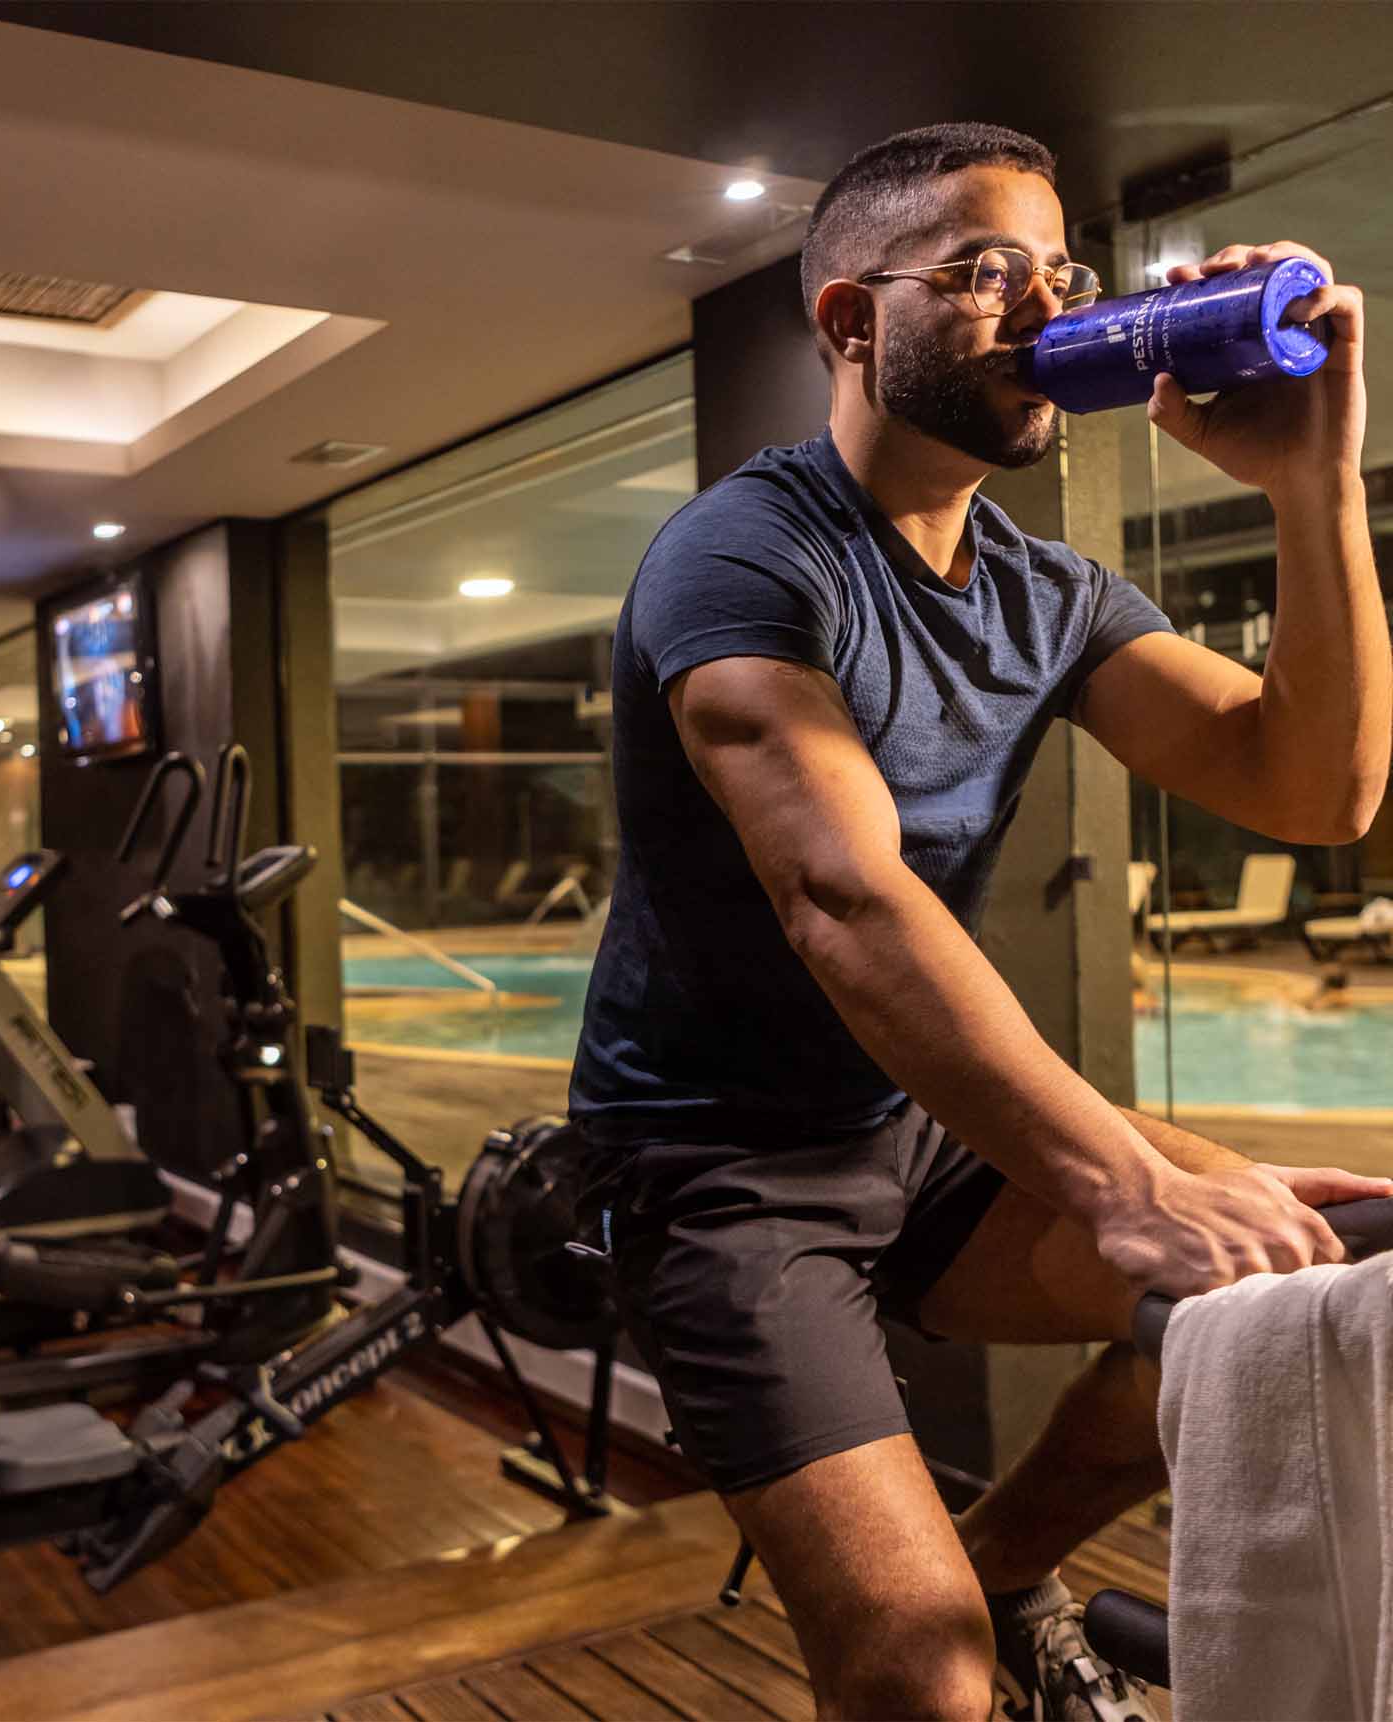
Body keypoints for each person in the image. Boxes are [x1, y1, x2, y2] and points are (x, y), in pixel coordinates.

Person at [569, 122, 1392, 1720]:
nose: (1039, 303)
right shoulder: (744, 555)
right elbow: (842, 896)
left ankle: (1009, 1559)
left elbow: (1319, 789)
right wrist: (1129, 1179)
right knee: (919, 1679)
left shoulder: (1051, 592)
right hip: (718, 1164)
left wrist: (1313, 479)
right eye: (981, 271)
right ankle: (969, 1613)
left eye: (1060, 273)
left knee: (1318, 1286)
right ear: (849, 322)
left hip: (910, 1128)